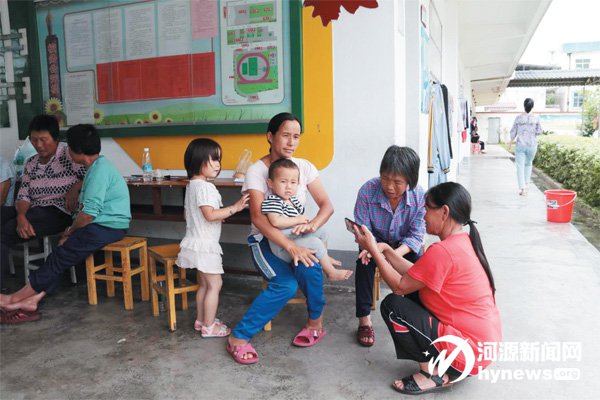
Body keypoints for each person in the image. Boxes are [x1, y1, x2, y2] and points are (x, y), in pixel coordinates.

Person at [353, 182, 502, 395]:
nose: (423, 216)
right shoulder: (462, 241)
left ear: (444, 212)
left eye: (427, 209)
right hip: (480, 349)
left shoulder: (443, 251)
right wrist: (385, 249)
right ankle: (442, 366)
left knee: (393, 306)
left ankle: (432, 374)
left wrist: (373, 250)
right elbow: (418, 274)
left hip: (468, 354)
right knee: (416, 292)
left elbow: (399, 287)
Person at [227, 112, 335, 364]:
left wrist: (312, 225)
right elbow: (258, 217)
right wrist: (289, 246)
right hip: (265, 240)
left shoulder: (304, 167)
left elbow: (326, 206)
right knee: (285, 285)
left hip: (296, 236)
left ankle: (315, 324)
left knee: (310, 266)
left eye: (296, 137)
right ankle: (239, 337)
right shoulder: (257, 171)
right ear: (270, 136)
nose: (291, 142)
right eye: (286, 135)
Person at [0, 124, 131, 322]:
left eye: (69, 147)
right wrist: (71, 231)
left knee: (60, 255)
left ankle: (16, 298)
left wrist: (70, 230)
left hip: (108, 226)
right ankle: (33, 299)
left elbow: (87, 215)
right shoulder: (96, 167)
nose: (67, 151)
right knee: (61, 254)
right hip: (103, 225)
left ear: (77, 151)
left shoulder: (99, 171)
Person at [175, 138, 249, 338]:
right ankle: (209, 327)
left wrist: (218, 215)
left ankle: (201, 321)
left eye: (219, 160)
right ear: (198, 161)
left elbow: (190, 215)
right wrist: (235, 208)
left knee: (205, 285)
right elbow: (209, 215)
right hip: (206, 246)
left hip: (194, 242)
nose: (218, 164)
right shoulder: (206, 187)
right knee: (215, 285)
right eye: (214, 159)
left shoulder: (192, 186)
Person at [353, 145, 425, 347]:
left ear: (410, 180)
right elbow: (363, 230)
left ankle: (415, 316)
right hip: (373, 243)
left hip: (404, 247)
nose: (389, 186)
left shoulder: (419, 196)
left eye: (397, 182)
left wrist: (390, 254)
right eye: (385, 178)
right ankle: (364, 320)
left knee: (418, 269)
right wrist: (374, 249)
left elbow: (416, 235)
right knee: (363, 264)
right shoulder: (367, 191)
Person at [1, 115, 85, 281]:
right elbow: (23, 195)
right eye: (34, 140)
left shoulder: (69, 155)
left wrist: (76, 186)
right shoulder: (31, 163)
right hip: (33, 210)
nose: (38, 145)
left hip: (60, 211)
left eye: (43, 140)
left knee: (6, 231)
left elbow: (93, 174)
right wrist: (21, 216)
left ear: (56, 138)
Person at [262, 158, 352, 281]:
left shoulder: (293, 200)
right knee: (315, 242)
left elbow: (299, 222)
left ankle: (324, 256)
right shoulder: (273, 201)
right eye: (283, 181)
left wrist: (306, 226)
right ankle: (331, 272)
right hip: (283, 247)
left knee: (322, 232)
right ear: (270, 183)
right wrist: (298, 220)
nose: (288, 186)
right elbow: (276, 221)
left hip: (295, 237)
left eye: (293, 182)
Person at [509, 98, 542, 196]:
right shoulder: (536, 118)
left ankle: (522, 188)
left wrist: (510, 142)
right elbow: (539, 131)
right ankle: (526, 185)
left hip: (521, 145)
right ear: (532, 106)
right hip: (532, 145)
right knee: (528, 164)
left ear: (524, 106)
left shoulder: (518, 118)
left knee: (520, 166)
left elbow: (513, 131)